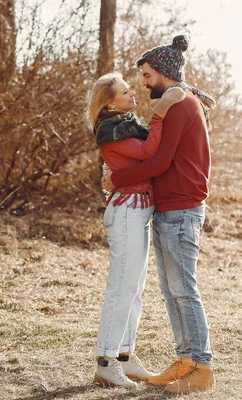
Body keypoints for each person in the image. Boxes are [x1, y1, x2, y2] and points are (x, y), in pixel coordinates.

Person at [102, 35, 217, 393]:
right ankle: (186, 359)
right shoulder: (177, 103)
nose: (144, 83)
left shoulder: (181, 106)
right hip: (171, 208)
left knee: (184, 291)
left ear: (164, 74)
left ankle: (202, 366)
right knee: (172, 290)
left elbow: (159, 160)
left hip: (182, 207)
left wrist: (116, 179)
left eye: (148, 75)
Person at [86, 72, 186, 388]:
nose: (132, 93)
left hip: (138, 209)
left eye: (130, 88)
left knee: (135, 288)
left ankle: (125, 356)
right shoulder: (110, 129)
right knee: (122, 287)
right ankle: (106, 361)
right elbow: (148, 153)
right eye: (125, 91)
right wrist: (159, 113)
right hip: (127, 211)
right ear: (109, 102)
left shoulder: (125, 124)